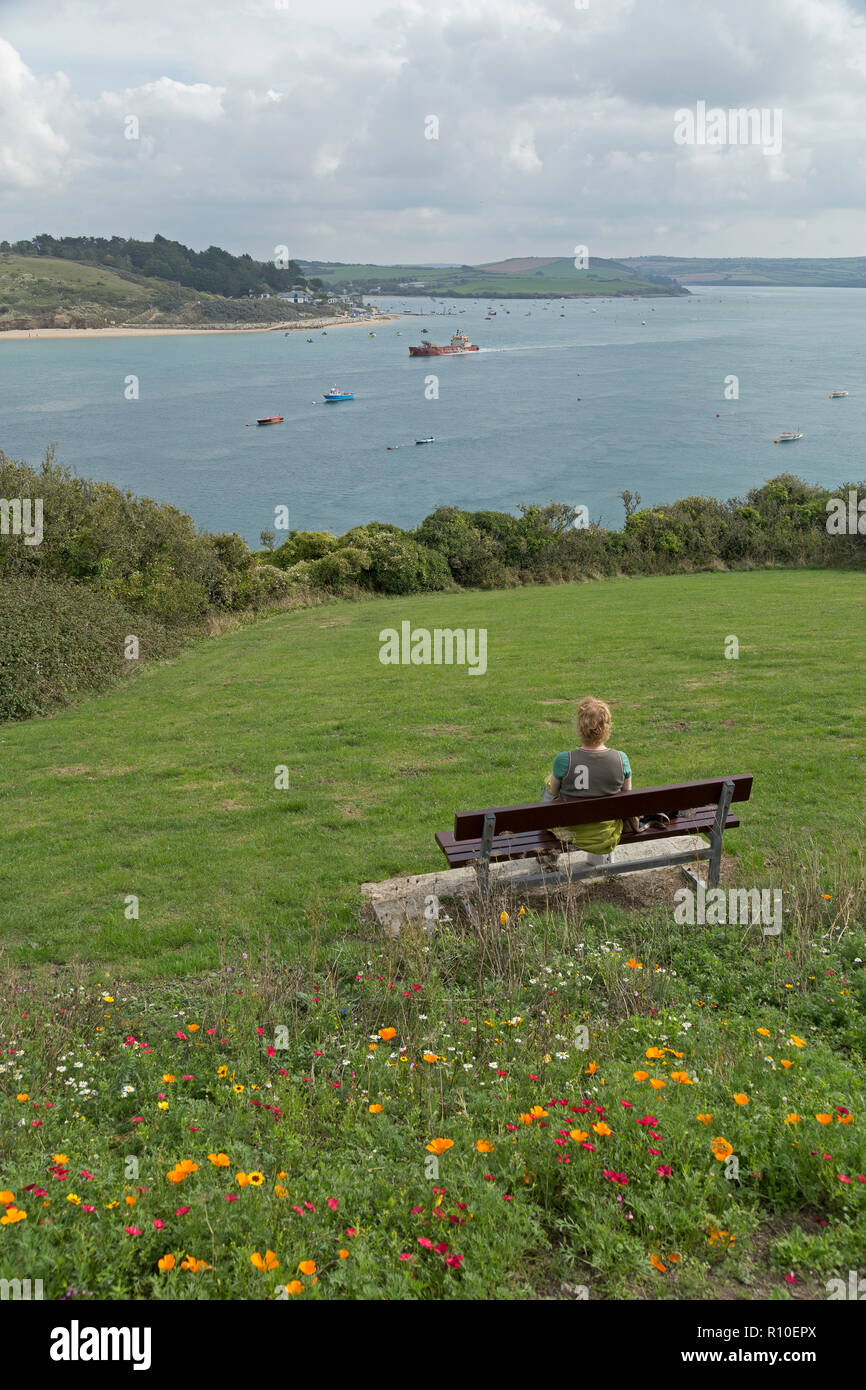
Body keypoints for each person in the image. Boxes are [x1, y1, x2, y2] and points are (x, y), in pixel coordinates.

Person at [543, 696, 635, 855]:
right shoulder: (621, 759)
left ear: (579, 727)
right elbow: (626, 796)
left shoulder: (564, 760)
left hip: (570, 831)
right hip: (606, 833)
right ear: (607, 727)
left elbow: (553, 794)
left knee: (549, 782)